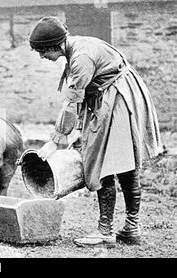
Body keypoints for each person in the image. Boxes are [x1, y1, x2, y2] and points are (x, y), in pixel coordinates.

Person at [29, 16, 164, 247]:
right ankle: (131, 228)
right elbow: (83, 97)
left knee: (105, 163)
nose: (42, 57)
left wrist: (57, 139)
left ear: (55, 45)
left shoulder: (81, 58)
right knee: (122, 163)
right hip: (117, 96)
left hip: (118, 100)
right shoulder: (77, 46)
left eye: (43, 51)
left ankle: (107, 232)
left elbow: (71, 102)